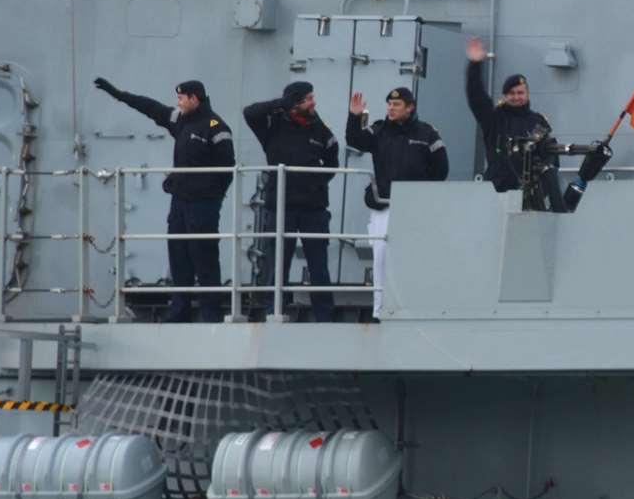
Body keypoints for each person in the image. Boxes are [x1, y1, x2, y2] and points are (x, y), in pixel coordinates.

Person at [93, 77, 235, 322]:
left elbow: (227, 168)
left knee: (204, 255)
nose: (177, 102)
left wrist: (212, 197)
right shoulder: (181, 121)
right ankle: (180, 308)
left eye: (181, 98)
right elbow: (151, 108)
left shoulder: (216, 127)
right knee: (179, 254)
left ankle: (211, 311)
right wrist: (118, 94)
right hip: (180, 201)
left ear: (194, 98)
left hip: (203, 203)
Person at [345, 86, 449, 321]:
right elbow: (356, 140)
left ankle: (413, 308)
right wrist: (355, 117)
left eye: (396, 105)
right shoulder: (380, 130)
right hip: (384, 206)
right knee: (380, 258)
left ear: (410, 107)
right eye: (389, 105)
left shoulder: (427, 133)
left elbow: (441, 169)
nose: (391, 109)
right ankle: (379, 311)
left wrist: (421, 194)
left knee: (414, 257)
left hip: (414, 208)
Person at [241, 81, 339, 322]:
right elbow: (249, 112)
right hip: (281, 206)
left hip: (313, 208)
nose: (313, 103)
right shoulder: (273, 125)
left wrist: (314, 182)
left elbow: (333, 163)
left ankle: (324, 315)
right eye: (308, 99)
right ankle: (273, 311)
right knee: (278, 262)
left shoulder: (320, 129)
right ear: (295, 103)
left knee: (319, 265)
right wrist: (281, 104)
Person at [464, 36, 561, 211]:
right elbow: (476, 96)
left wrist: (545, 189)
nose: (516, 97)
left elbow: (551, 158)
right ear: (504, 96)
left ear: (527, 94)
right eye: (511, 93)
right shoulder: (494, 119)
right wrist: (475, 64)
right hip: (497, 192)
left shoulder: (538, 122)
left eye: (520, 93)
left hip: (532, 197)